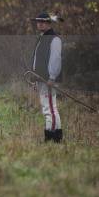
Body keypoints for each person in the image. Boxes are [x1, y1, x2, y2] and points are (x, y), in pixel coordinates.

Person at [31, 12, 63, 143]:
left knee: (50, 107)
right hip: (41, 79)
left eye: (43, 22)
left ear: (49, 23)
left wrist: (52, 77)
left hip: (48, 79)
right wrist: (34, 79)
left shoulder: (54, 39)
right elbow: (36, 60)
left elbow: (55, 59)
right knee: (46, 107)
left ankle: (54, 137)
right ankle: (49, 135)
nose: (40, 23)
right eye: (38, 21)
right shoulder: (41, 38)